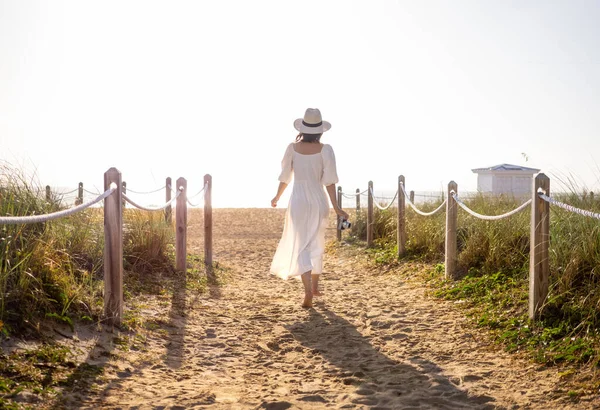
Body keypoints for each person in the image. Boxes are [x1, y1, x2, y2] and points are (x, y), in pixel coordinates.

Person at [270, 108, 349, 308]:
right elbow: (330, 182)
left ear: (302, 129)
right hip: (319, 200)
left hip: (298, 200)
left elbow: (285, 176)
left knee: (301, 244)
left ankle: (308, 292)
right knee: (315, 241)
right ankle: (314, 287)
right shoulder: (326, 149)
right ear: (320, 130)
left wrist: (277, 197)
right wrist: (337, 207)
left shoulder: (292, 148)